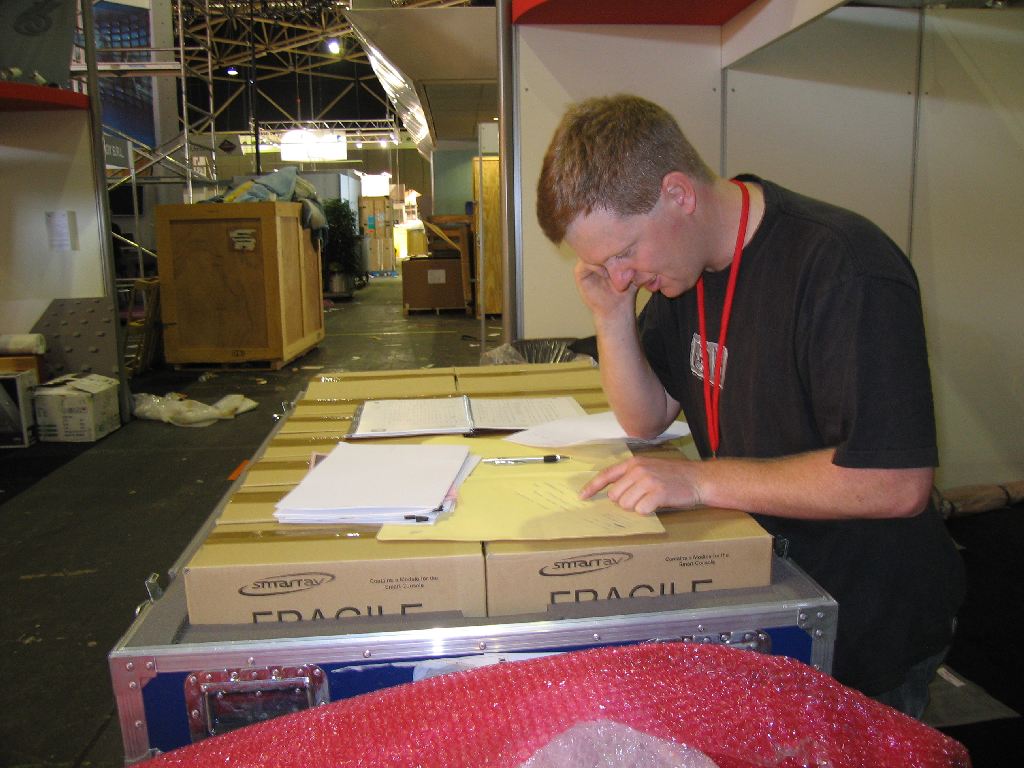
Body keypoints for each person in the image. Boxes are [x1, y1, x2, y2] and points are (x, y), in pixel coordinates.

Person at [535, 94, 965, 718]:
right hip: (773, 596)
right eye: (604, 264)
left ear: (678, 194)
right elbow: (646, 417)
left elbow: (894, 483)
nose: (621, 274)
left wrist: (700, 480)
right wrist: (610, 315)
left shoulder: (844, 266)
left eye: (624, 252)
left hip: (868, 620)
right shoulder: (682, 270)